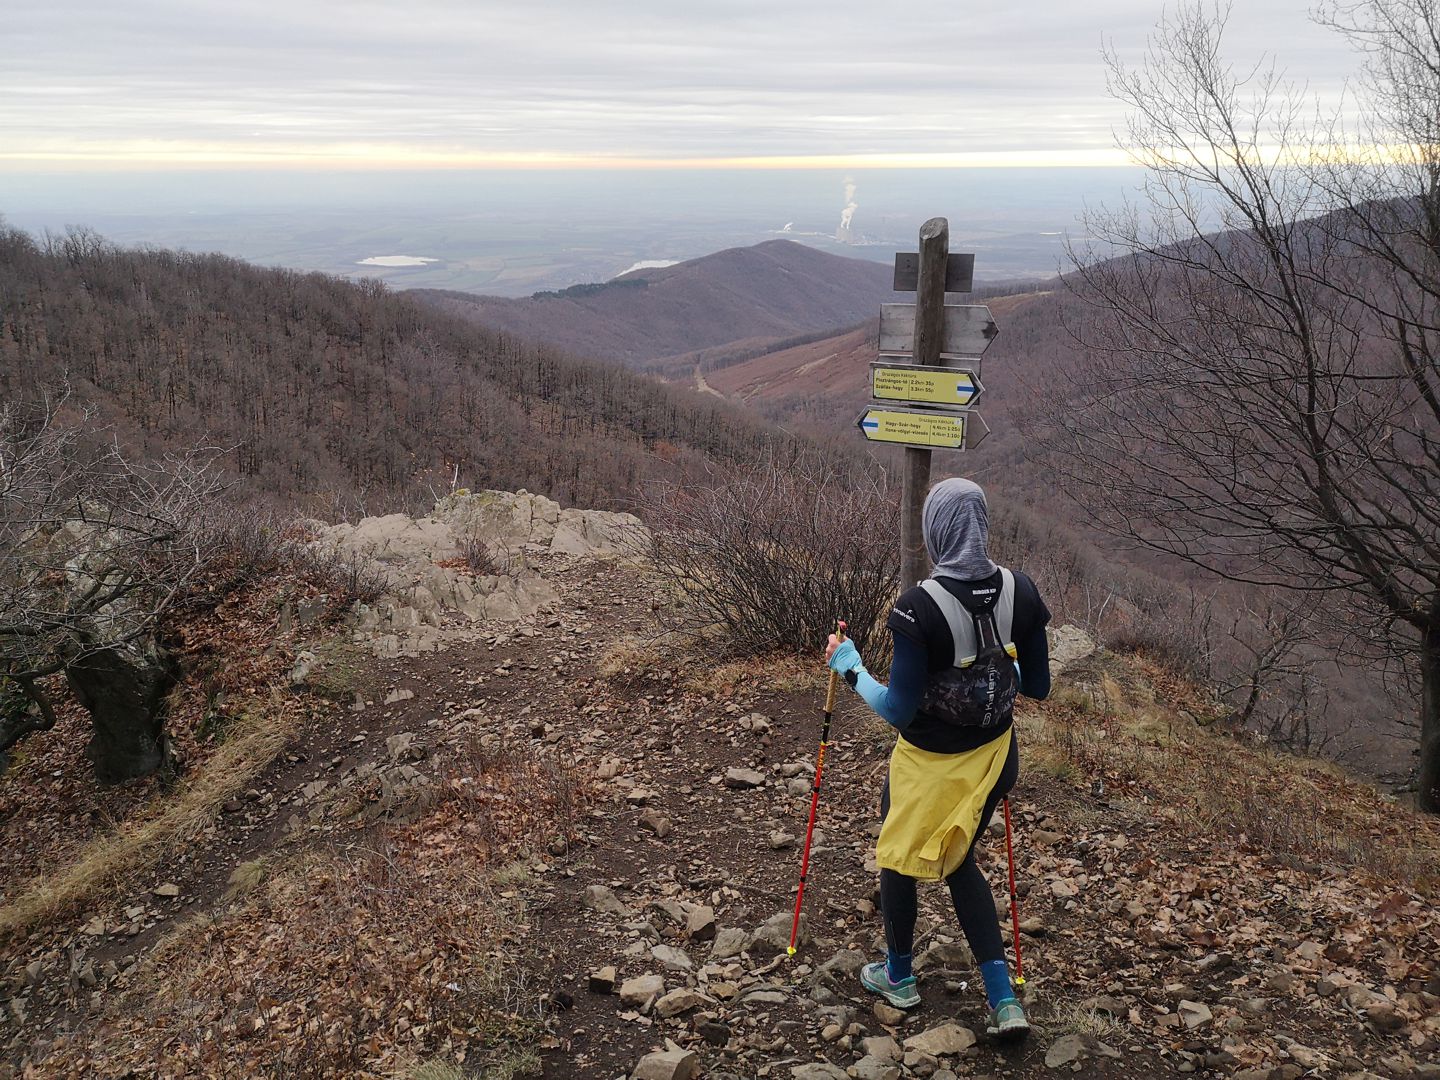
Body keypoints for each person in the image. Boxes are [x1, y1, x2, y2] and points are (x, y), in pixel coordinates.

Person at [824, 477, 1050, 1041]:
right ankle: (1003, 999)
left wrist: (850, 668)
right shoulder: (1021, 591)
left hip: (928, 763)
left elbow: (898, 710)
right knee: (960, 857)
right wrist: (990, 672)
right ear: (981, 525)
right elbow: (1039, 685)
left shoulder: (917, 607)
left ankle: (898, 976)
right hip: (996, 758)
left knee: (899, 852)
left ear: (936, 531)